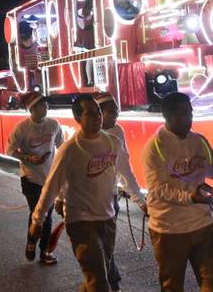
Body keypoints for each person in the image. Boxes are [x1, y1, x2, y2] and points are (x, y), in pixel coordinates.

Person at [30, 95, 145, 292]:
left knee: (100, 271)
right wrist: (37, 221)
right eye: (90, 114)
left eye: (98, 112)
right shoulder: (69, 150)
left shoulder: (113, 142)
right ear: (78, 118)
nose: (97, 117)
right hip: (80, 221)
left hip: (108, 218)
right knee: (99, 281)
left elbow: (127, 175)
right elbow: (51, 187)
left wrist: (141, 201)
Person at [141, 92, 213, 292]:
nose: (188, 119)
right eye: (182, 114)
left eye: (190, 113)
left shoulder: (199, 141)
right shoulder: (154, 147)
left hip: (203, 225)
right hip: (169, 230)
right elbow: (157, 190)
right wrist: (190, 197)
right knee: (172, 286)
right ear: (167, 116)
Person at [5, 91, 64, 265]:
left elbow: (62, 146)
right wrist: (29, 158)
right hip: (30, 178)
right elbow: (10, 150)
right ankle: (42, 249)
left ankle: (35, 243)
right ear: (32, 108)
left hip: (50, 178)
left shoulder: (54, 124)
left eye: (46, 104)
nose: (46, 107)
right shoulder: (22, 128)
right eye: (42, 104)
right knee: (42, 214)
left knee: (44, 215)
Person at [94, 92, 144, 292]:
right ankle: (109, 281)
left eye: (116, 111)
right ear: (99, 113)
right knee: (98, 247)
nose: (116, 115)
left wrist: (137, 197)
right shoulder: (86, 136)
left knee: (106, 244)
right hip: (88, 200)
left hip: (110, 195)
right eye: (111, 112)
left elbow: (124, 163)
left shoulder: (118, 131)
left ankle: (109, 281)